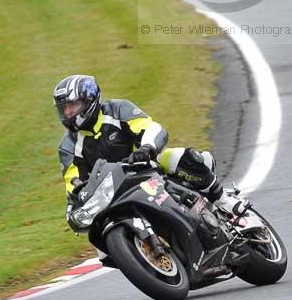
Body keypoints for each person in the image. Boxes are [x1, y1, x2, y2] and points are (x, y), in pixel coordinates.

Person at [53, 74, 246, 224]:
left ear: (89, 99)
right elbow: (74, 183)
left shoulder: (117, 110)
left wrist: (146, 148)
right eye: (64, 109)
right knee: (100, 242)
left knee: (177, 157)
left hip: (146, 166)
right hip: (113, 193)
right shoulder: (68, 146)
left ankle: (223, 200)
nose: (68, 113)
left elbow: (151, 128)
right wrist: (73, 205)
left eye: (72, 106)